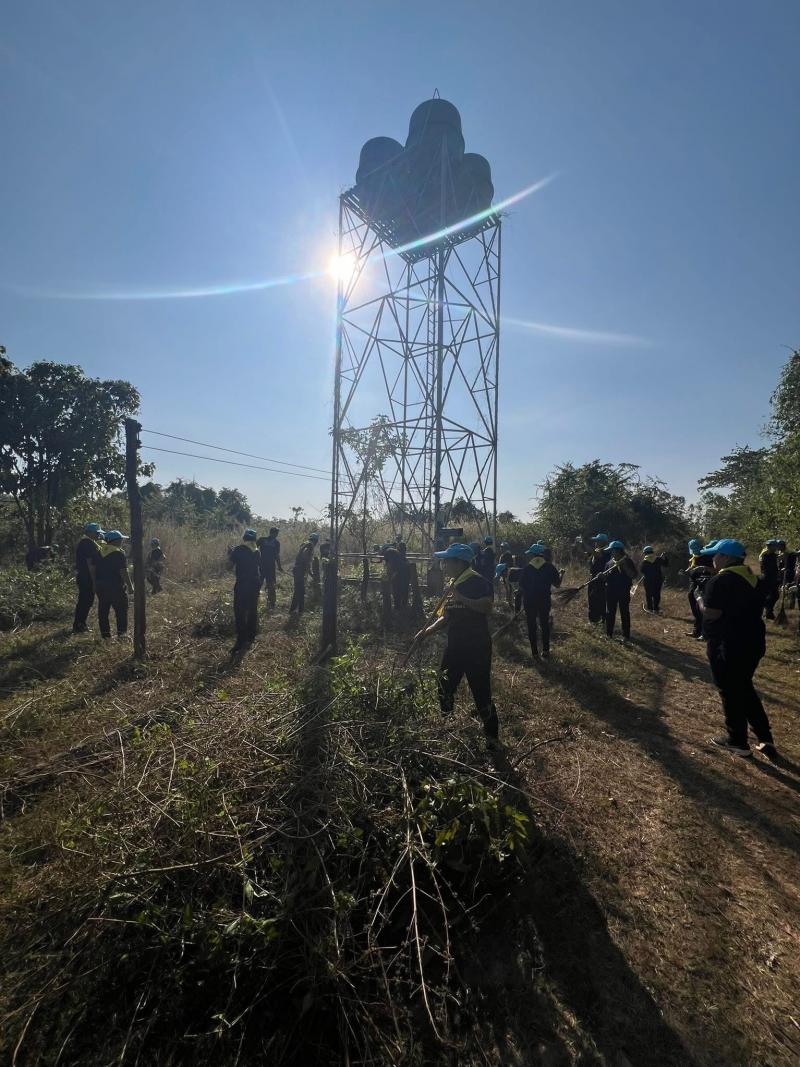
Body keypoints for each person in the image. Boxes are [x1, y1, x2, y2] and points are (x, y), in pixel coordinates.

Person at [695, 539, 777, 759]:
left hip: (727, 644)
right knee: (744, 686)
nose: (713, 558)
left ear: (726, 557)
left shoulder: (720, 581)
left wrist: (700, 599)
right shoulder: (754, 579)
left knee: (729, 690)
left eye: (715, 555)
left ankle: (737, 741)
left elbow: (712, 613)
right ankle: (764, 737)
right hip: (753, 642)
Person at [414, 544, 498, 740]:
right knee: (444, 687)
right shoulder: (452, 584)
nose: (443, 565)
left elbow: (487, 606)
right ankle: (448, 729)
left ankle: (492, 739)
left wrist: (462, 597)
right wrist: (426, 632)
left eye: (447, 561)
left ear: (459, 563)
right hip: (455, 646)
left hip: (477, 647)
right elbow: (446, 616)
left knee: (481, 693)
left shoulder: (477, 581)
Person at [515, 543, 562, 659]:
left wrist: (518, 604)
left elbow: (521, 587)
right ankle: (546, 651)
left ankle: (534, 653)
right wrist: (561, 574)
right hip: (544, 600)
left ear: (532, 555)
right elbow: (557, 584)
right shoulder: (550, 567)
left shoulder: (527, 568)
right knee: (544, 624)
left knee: (531, 625)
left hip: (529, 601)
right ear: (542, 555)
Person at [95, 530, 134, 640]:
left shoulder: (99, 552)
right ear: (116, 541)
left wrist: (94, 584)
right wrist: (130, 586)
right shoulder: (118, 553)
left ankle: (105, 636)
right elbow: (123, 571)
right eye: (121, 539)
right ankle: (122, 635)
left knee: (103, 612)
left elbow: (93, 568)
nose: (122, 541)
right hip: (116, 587)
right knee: (121, 611)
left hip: (101, 587)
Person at [229, 529, 262, 650]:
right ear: (254, 539)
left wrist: (230, 554)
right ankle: (251, 636)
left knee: (239, 611)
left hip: (242, 584)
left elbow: (228, 567)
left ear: (244, 538)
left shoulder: (237, 550)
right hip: (255, 583)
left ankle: (241, 639)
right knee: (252, 609)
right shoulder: (257, 551)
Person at [73, 522, 104, 634]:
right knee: (85, 601)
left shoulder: (89, 543)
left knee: (87, 601)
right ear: (90, 532)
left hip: (85, 577)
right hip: (86, 578)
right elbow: (90, 564)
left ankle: (81, 623)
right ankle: (79, 625)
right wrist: (94, 581)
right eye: (97, 532)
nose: (98, 535)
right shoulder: (87, 543)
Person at [603, 540, 638, 641]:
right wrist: (602, 576)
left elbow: (633, 575)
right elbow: (606, 578)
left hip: (623, 591)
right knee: (610, 612)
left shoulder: (627, 561)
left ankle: (626, 635)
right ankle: (609, 634)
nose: (610, 552)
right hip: (610, 591)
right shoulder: (609, 563)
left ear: (618, 551)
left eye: (612, 550)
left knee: (624, 612)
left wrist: (624, 565)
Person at [686, 542, 717, 639]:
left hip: (705, 585)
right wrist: (687, 572)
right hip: (695, 584)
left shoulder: (709, 557)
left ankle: (704, 633)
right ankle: (697, 631)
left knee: (702, 610)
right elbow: (692, 570)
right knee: (696, 609)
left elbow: (714, 571)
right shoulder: (694, 558)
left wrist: (703, 569)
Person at [290, 532, 319, 613]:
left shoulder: (305, 543)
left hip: (298, 569)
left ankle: (296, 609)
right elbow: (305, 557)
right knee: (300, 590)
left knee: (299, 590)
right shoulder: (309, 545)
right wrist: (309, 571)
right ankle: (299, 610)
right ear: (316, 540)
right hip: (300, 570)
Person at [587, 533, 611, 624]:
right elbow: (588, 554)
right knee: (592, 599)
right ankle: (593, 619)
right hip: (593, 578)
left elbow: (596, 554)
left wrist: (584, 542)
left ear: (603, 542)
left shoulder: (606, 551)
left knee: (601, 599)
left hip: (601, 579)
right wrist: (579, 545)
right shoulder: (597, 550)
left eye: (597, 541)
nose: (595, 542)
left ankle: (603, 619)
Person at [257, 527, 283, 609]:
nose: (276, 535)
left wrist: (279, 566)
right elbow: (254, 549)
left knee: (268, 584)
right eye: (275, 533)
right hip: (265, 566)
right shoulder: (264, 540)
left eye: (277, 534)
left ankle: (270, 602)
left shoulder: (266, 540)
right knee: (262, 583)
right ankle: (259, 600)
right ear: (272, 533)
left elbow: (277, 556)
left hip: (266, 566)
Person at [640, 546, 668, 613]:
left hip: (648, 580)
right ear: (652, 552)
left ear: (645, 553)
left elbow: (642, 570)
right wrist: (665, 557)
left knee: (648, 594)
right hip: (658, 580)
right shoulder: (658, 559)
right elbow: (666, 564)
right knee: (657, 594)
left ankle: (650, 608)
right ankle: (655, 608)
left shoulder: (644, 561)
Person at [759, 539, 781, 619]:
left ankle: (768, 611)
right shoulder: (766, 555)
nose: (768, 547)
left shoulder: (772, 554)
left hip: (772, 577)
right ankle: (768, 611)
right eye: (768, 545)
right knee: (771, 595)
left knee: (774, 595)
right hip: (768, 577)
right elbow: (769, 568)